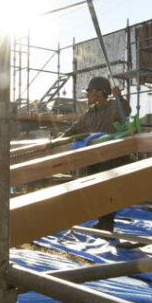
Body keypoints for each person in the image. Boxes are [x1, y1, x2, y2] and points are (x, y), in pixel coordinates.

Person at [63, 75, 132, 233]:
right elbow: (74, 129)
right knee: (94, 190)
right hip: (93, 158)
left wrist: (119, 97)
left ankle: (107, 224)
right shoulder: (88, 114)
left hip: (110, 158)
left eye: (90, 92)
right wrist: (58, 140)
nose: (87, 95)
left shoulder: (114, 106)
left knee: (107, 191)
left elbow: (125, 112)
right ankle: (102, 221)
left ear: (100, 93)